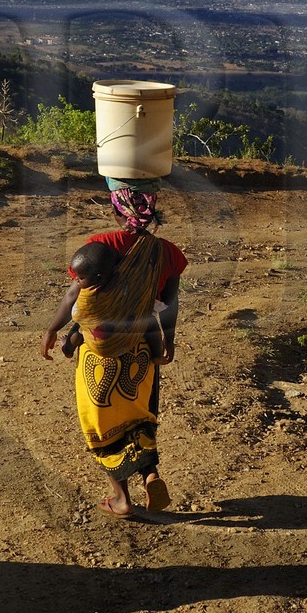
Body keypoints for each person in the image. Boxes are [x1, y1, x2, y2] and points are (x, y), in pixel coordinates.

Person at [41, 187, 186, 517]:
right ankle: (150, 475)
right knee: (140, 415)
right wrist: (169, 339)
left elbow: (71, 298)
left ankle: (121, 498)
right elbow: (170, 303)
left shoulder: (101, 246)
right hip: (140, 350)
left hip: (100, 356)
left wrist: (53, 330)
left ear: (116, 213)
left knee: (101, 424)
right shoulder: (167, 253)